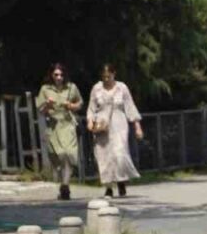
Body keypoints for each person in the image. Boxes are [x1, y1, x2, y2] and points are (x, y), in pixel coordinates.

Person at [87, 64, 144, 198]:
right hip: (102, 123)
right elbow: (91, 108)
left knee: (119, 153)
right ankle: (108, 187)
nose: (107, 79)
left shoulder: (122, 88)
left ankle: (121, 180)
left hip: (119, 123)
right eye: (104, 76)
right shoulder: (97, 88)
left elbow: (130, 107)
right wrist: (90, 121)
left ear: (114, 74)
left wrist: (137, 126)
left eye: (109, 76)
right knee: (104, 156)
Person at [37, 63, 83, 200]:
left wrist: (71, 105)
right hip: (53, 126)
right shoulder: (45, 89)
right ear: (52, 75)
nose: (59, 77)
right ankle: (63, 179)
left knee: (68, 154)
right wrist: (47, 105)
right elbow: (40, 110)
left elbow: (80, 103)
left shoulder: (71, 87)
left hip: (68, 124)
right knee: (57, 156)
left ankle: (65, 186)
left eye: (61, 75)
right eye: (56, 74)